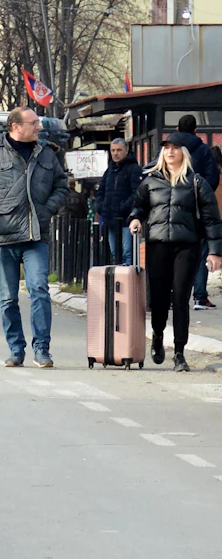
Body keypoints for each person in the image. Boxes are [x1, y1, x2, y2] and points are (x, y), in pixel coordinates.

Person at [0, 107, 67, 368]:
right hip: (3, 236)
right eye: (34, 123)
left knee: (39, 290)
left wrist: (46, 210)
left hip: (36, 235)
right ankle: (16, 349)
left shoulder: (46, 152)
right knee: (8, 298)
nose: (39, 127)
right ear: (15, 126)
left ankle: (42, 349)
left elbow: (62, 186)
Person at [130, 133, 222, 371]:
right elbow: (138, 206)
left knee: (180, 297)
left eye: (175, 148)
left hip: (187, 246)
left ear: (184, 153)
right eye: (166, 148)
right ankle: (158, 335)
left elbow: (212, 219)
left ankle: (179, 353)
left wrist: (215, 252)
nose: (170, 152)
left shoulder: (196, 183)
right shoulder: (150, 182)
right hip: (157, 245)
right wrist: (136, 219)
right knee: (159, 298)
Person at [172, 116, 219, 309]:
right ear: (196, 130)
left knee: (174, 253)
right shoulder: (203, 151)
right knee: (200, 253)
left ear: (177, 128)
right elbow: (212, 177)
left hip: (173, 209)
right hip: (197, 209)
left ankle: (176, 296)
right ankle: (200, 296)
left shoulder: (169, 150)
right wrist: (203, 195)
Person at [96, 138, 142, 267]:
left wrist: (123, 208)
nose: (115, 153)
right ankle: (119, 283)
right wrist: (101, 207)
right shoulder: (109, 171)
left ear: (126, 151)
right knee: (115, 252)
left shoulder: (134, 169)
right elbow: (100, 192)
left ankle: (128, 283)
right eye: (113, 150)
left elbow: (137, 193)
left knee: (127, 253)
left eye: (119, 150)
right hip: (111, 219)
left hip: (127, 219)